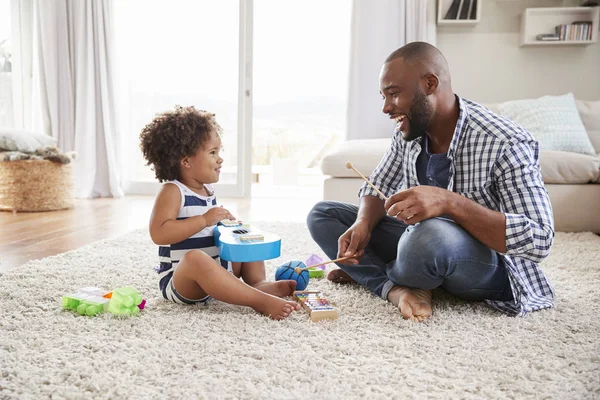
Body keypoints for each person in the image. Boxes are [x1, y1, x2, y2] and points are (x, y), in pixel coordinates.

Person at [307, 42, 555, 321]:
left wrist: (450, 203)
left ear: (430, 83)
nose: (386, 107)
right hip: (418, 244)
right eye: (383, 96)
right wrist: (363, 224)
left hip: (485, 264)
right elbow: (377, 184)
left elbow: (540, 239)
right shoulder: (409, 130)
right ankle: (396, 288)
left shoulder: (506, 141)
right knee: (322, 214)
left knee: (428, 238)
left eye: (394, 94)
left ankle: (380, 272)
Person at [140, 106, 300, 320]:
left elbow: (210, 232)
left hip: (215, 272)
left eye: (219, 152)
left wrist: (228, 227)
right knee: (195, 259)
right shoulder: (173, 191)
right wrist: (205, 219)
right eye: (212, 152)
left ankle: (257, 284)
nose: (220, 159)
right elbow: (159, 233)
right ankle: (257, 300)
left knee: (245, 238)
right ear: (186, 161)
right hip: (183, 282)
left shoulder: (208, 191)